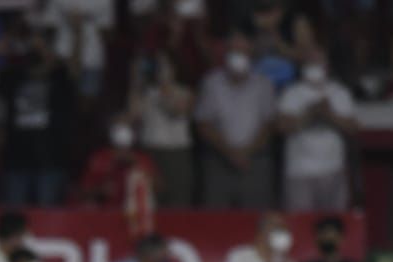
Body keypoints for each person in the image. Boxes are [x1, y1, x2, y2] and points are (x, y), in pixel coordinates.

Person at [0, 23, 78, 206]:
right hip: (16, 160)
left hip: (50, 160)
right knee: (13, 215)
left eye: (41, 47)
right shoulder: (13, 76)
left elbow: (74, 67)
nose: (37, 50)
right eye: (33, 47)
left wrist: (53, 49)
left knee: (47, 217)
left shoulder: (60, 77)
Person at [194, 37, 277, 210]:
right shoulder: (211, 83)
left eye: (243, 52)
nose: (239, 56)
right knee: (216, 217)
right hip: (218, 161)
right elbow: (203, 124)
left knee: (254, 217)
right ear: (226, 55)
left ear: (251, 55)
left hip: (254, 162)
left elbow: (269, 124)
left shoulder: (264, 84)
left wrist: (246, 153)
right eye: (234, 51)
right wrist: (230, 153)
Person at [275, 49, 355, 210]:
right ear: (303, 67)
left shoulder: (339, 92)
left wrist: (329, 114)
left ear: (327, 66)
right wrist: (309, 114)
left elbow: (352, 128)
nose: (314, 66)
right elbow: (281, 127)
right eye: (310, 62)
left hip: (333, 170)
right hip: (300, 172)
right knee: (301, 222)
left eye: (318, 62)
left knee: (333, 221)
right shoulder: (292, 93)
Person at [132, 50, 194, 208]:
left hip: (175, 152)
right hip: (150, 150)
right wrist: (136, 83)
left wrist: (163, 90)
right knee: (149, 199)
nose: (161, 70)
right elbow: (133, 116)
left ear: (173, 68)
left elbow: (175, 111)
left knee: (177, 200)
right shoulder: (146, 93)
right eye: (158, 66)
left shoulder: (183, 91)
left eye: (164, 65)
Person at [77, 118, 156, 219]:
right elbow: (82, 191)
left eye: (126, 148)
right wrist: (100, 190)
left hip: (135, 213)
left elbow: (158, 188)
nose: (122, 153)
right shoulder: (100, 159)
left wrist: (140, 170)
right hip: (105, 213)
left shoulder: (141, 159)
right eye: (118, 148)